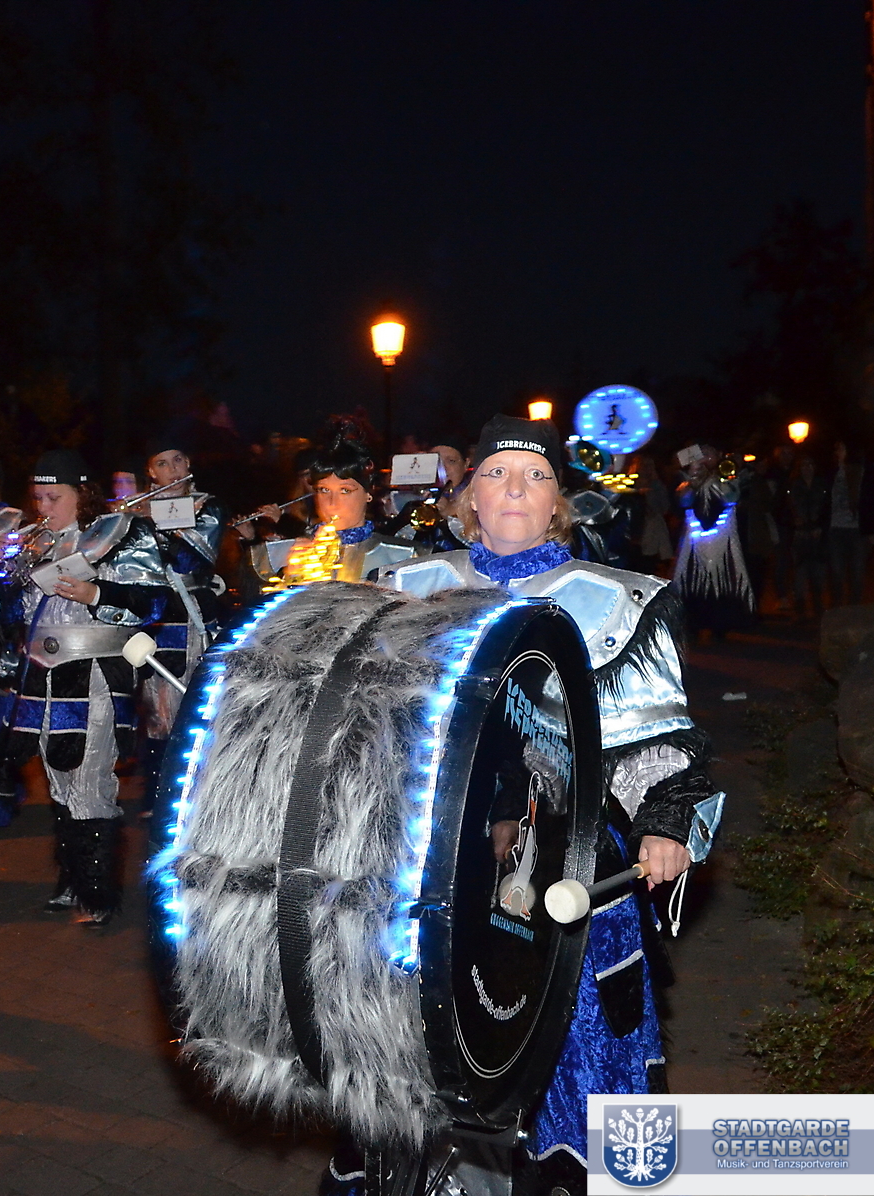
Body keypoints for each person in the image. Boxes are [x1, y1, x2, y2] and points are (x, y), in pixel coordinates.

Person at [358, 415, 723, 1190]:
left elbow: (663, 743)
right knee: (425, 1042)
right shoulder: (407, 590)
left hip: (566, 865)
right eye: (495, 473)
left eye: (535, 476)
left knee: (581, 1042)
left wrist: (664, 824)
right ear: (468, 498)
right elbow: (361, 732)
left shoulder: (614, 602)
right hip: (426, 865)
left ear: (559, 502)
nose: (514, 488)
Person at [0, 449, 169, 925]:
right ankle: (73, 877)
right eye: (38, 497)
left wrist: (95, 593)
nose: (43, 507)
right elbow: (11, 615)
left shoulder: (121, 534)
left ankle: (97, 892)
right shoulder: (31, 542)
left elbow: (153, 602)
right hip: (42, 676)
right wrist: (6, 575)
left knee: (90, 778)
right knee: (58, 781)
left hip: (94, 673)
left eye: (54, 497)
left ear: (82, 494)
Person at [135, 442, 225, 811]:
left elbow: (191, 560)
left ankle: (202, 793)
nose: (172, 469)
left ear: (188, 464)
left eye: (178, 460)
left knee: (196, 703)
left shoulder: (208, 506)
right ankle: (159, 795)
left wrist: (153, 525)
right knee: (155, 709)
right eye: (162, 463)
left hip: (193, 615)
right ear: (151, 472)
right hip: (152, 615)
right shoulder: (137, 510)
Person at [246, 429, 417, 590]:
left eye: (345, 491)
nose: (332, 503)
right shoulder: (284, 554)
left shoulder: (403, 555)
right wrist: (290, 580)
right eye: (324, 490)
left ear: (368, 494)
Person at [672, 446, 753, 636]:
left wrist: (726, 479)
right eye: (702, 454)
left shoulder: (726, 477)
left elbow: (732, 498)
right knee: (693, 581)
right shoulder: (688, 481)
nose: (705, 458)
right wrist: (693, 480)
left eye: (709, 454)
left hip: (723, 539)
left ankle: (720, 625)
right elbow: (683, 502)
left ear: (718, 456)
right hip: (694, 541)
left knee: (723, 580)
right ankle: (694, 625)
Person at [824, 440, 874, 607]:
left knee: (857, 573)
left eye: (841, 449)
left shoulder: (862, 471)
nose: (837, 452)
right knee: (836, 572)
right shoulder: (831, 472)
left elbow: (872, 500)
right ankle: (838, 608)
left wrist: (872, 530)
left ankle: (854, 610)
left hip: (856, 530)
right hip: (835, 529)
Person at [785, 452, 829, 621]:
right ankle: (800, 608)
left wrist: (821, 526)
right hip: (799, 535)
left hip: (818, 534)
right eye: (804, 465)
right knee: (800, 572)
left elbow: (827, 508)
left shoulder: (822, 484)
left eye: (810, 464)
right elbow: (784, 508)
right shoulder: (793, 485)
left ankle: (818, 606)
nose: (807, 468)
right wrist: (794, 522)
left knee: (818, 572)